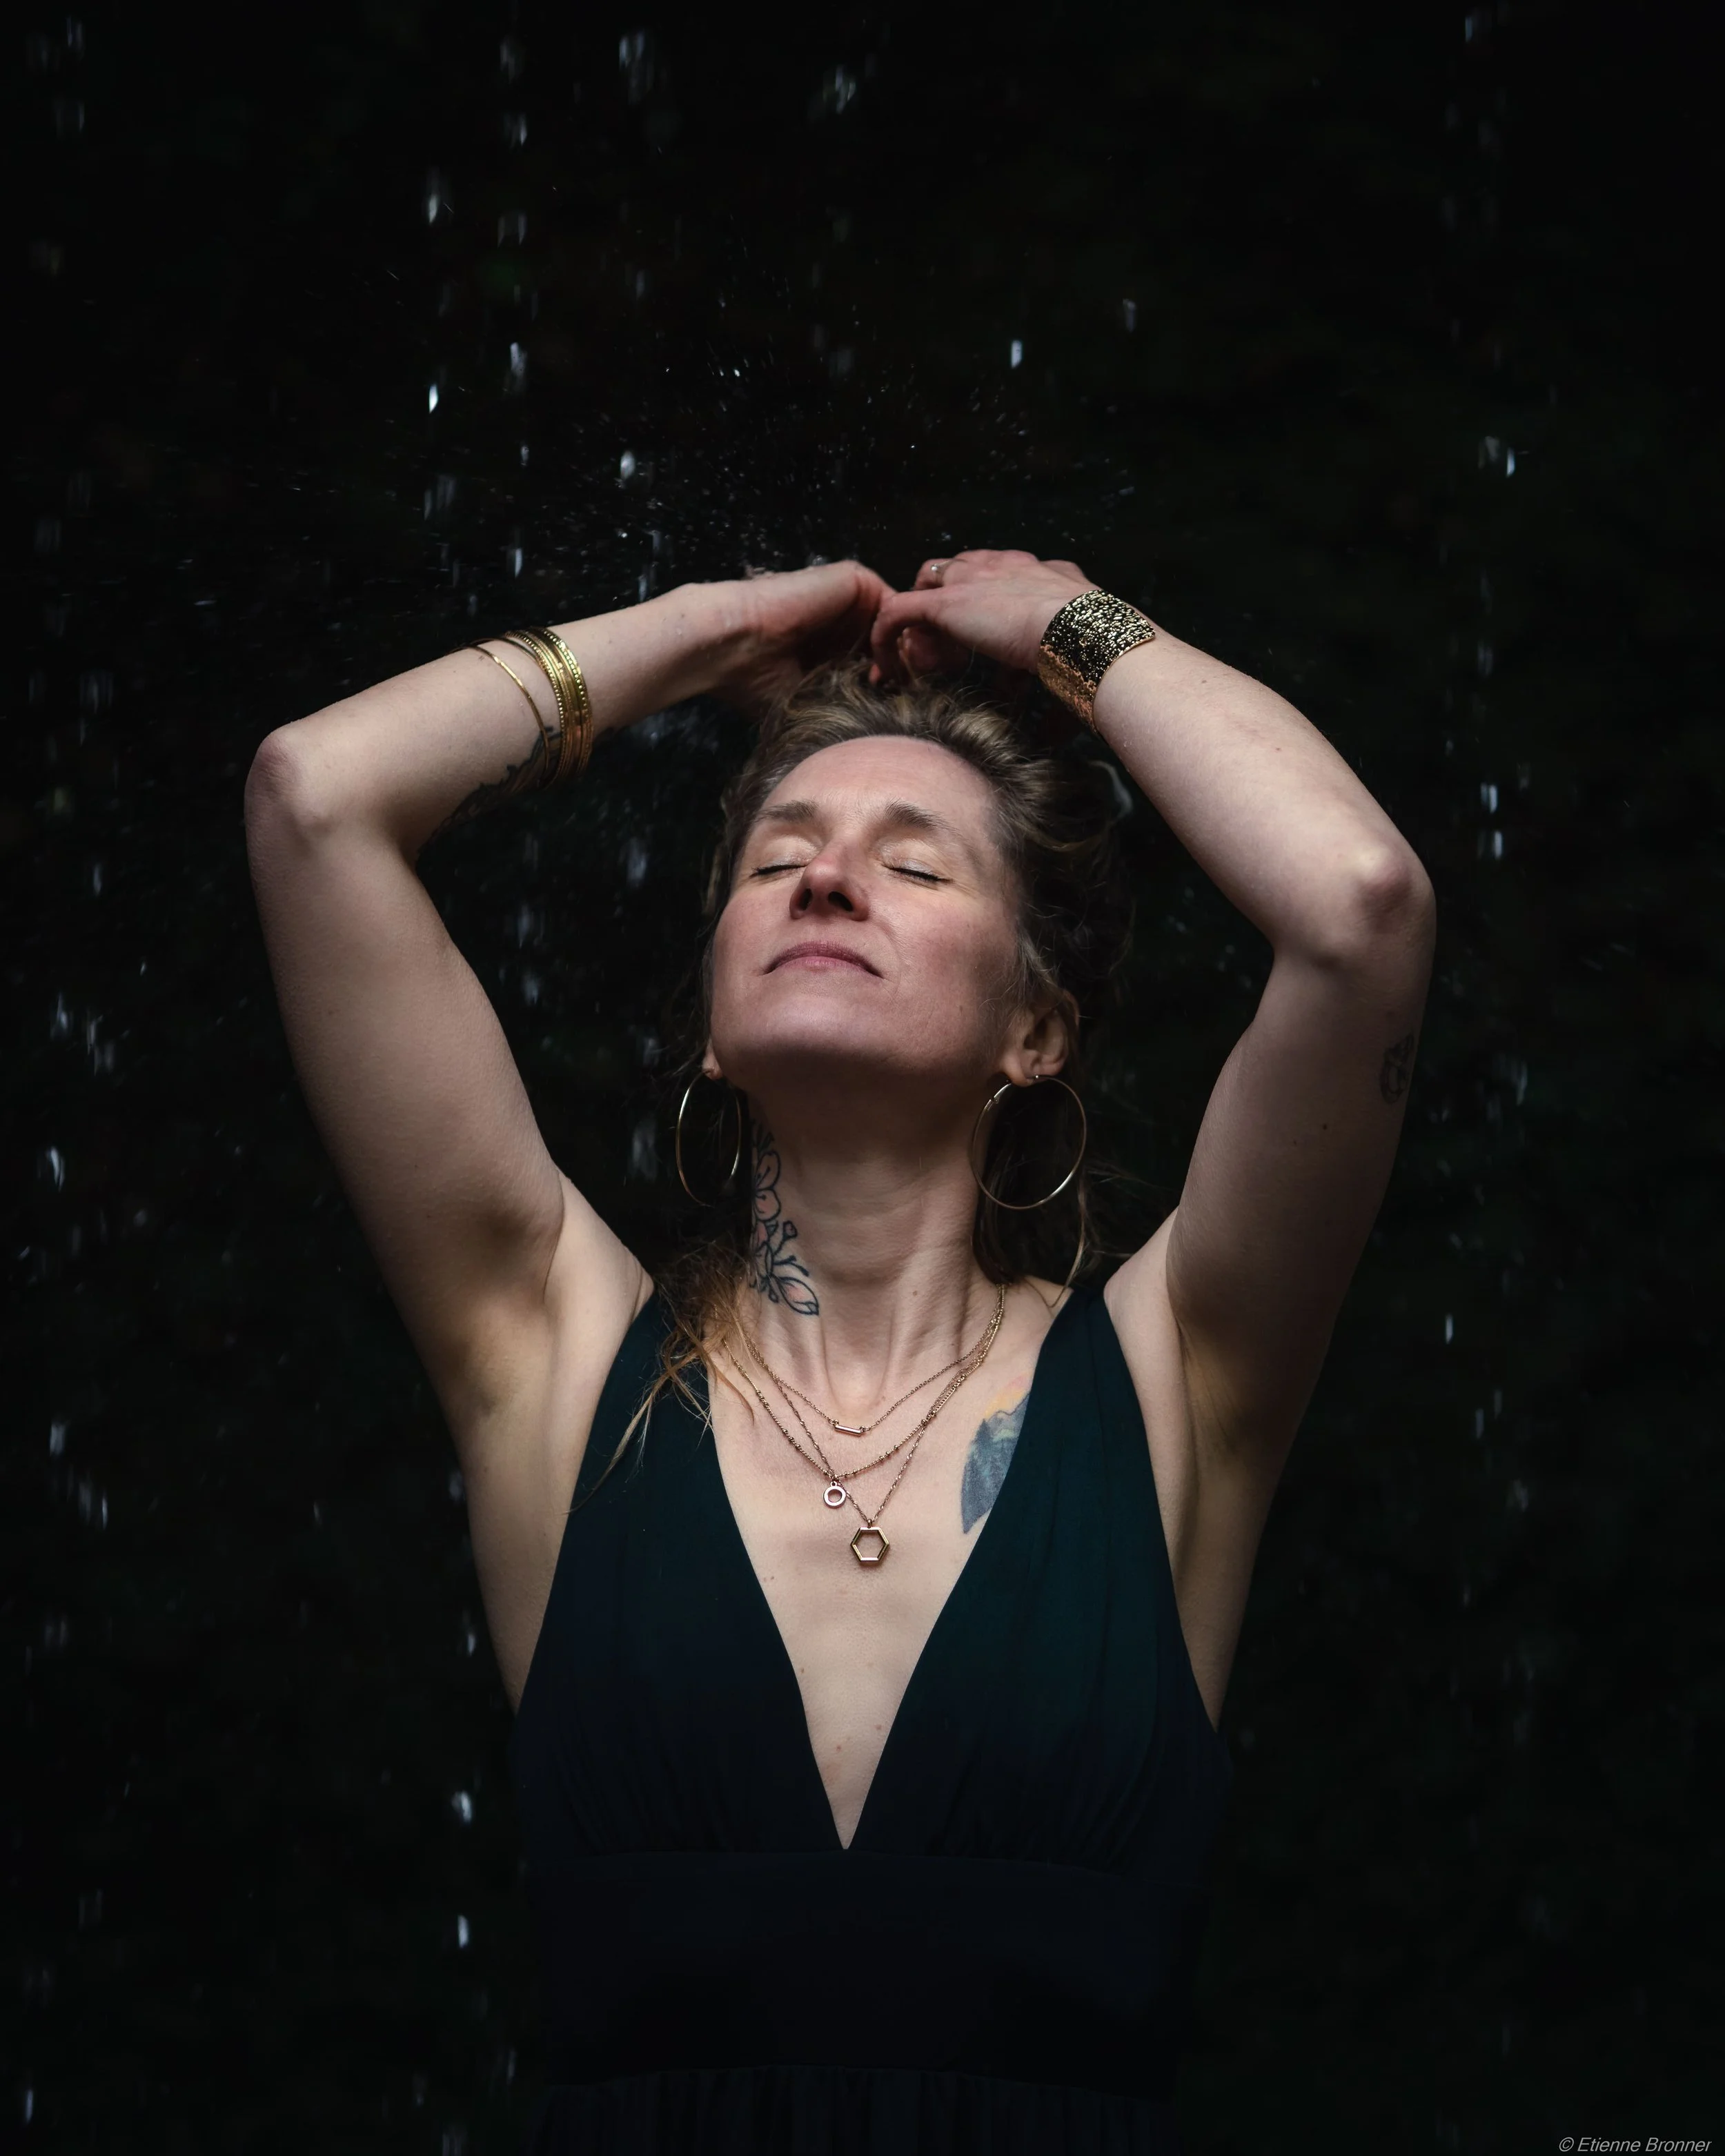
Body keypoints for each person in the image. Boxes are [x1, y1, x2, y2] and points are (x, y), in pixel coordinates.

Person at [244, 549, 1435, 2153]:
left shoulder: (1176, 1380)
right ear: (712, 1025)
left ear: (1035, 1029)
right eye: (777, 855)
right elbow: (316, 797)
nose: (821, 880)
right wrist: (705, 634)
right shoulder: (549, 1347)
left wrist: (1066, 629)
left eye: (917, 867)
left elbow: (1359, 905)